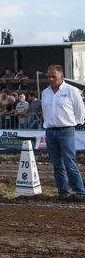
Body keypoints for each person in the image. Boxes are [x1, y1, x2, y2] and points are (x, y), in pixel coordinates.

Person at [42, 64, 85, 196]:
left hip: (66, 131)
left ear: (62, 76)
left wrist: (72, 127)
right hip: (50, 131)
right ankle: (63, 192)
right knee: (57, 166)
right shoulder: (45, 92)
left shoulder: (72, 91)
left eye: (53, 76)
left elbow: (80, 113)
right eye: (49, 77)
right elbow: (45, 111)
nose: (50, 79)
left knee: (70, 164)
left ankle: (80, 193)